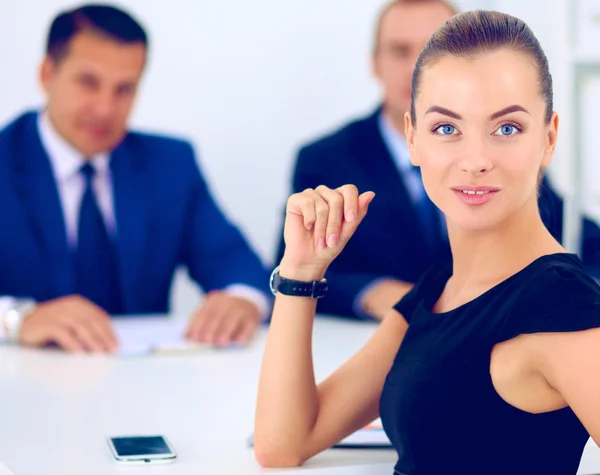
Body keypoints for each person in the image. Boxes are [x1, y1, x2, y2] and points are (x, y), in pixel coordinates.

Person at [256, 10, 600, 475]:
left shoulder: (564, 307)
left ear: (549, 138)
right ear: (414, 139)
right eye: (446, 129)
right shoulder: (440, 288)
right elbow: (283, 443)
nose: (475, 160)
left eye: (507, 128)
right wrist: (300, 270)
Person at [275, 0, 600, 321]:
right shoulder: (326, 159)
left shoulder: (505, 157)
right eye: (400, 51)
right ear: (375, 63)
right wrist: (373, 291)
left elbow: (574, 235)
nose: (416, 68)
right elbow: (293, 262)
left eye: (432, 50)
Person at [0, 4, 270, 353]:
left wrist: (241, 300)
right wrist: (17, 318)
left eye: (124, 89)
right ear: (46, 75)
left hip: (144, 385)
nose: (105, 109)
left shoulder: (169, 164)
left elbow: (235, 262)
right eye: (88, 82)